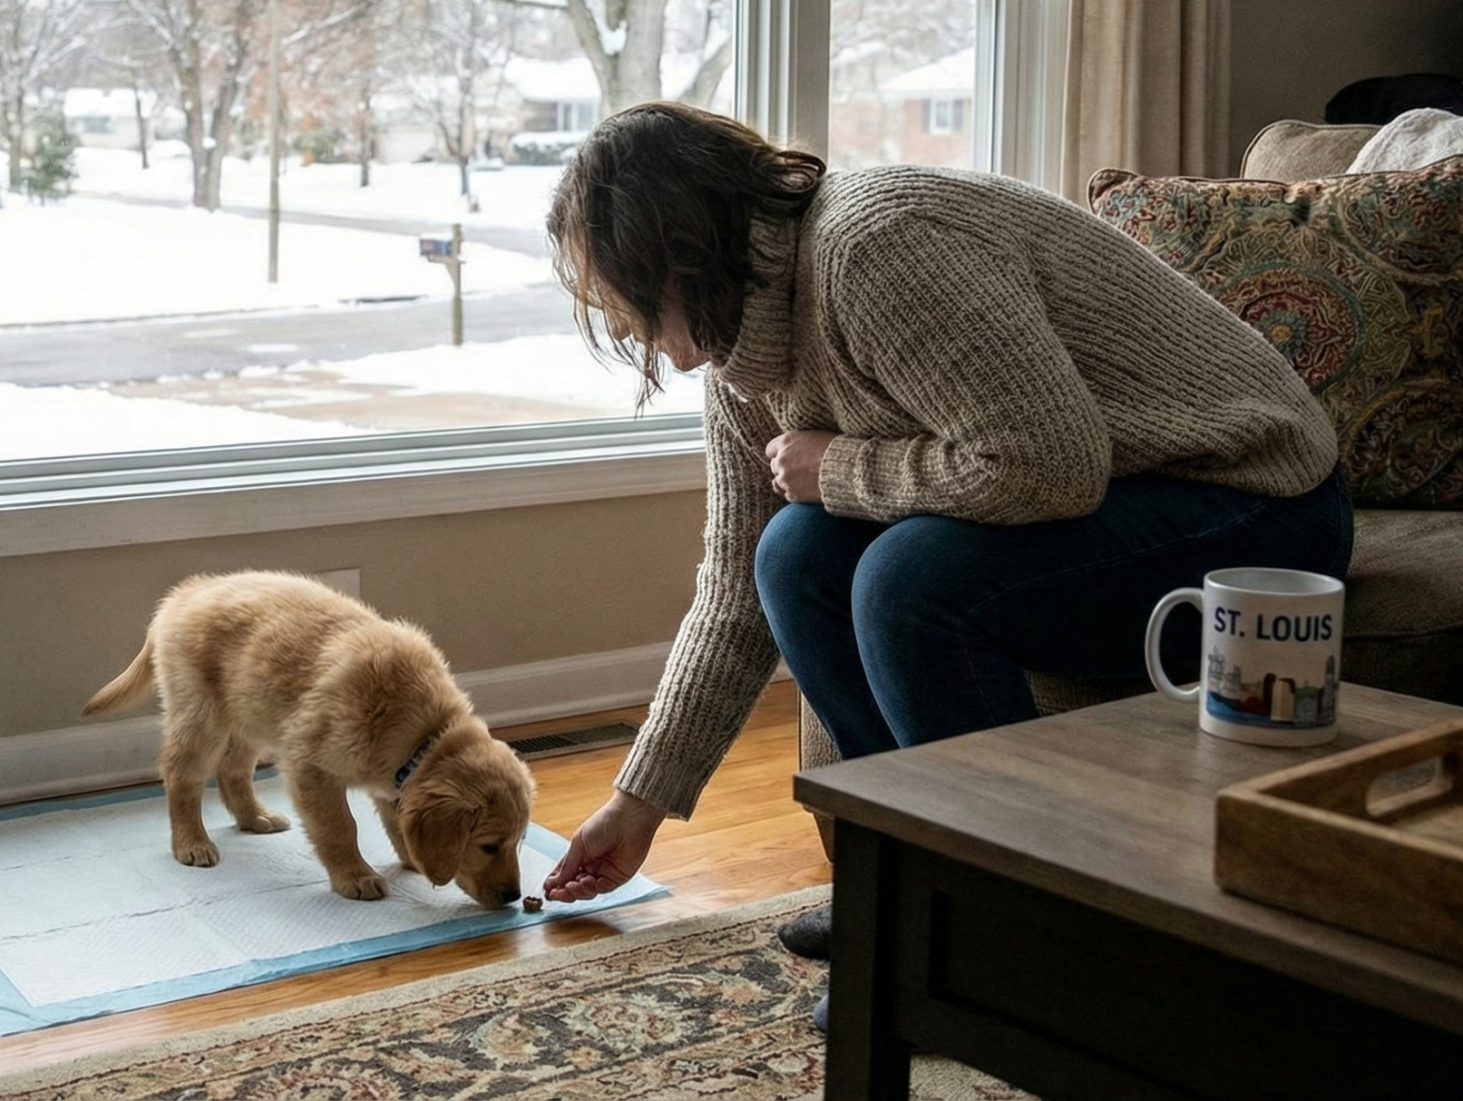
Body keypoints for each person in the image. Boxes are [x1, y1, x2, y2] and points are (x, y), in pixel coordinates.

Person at [538, 102, 1350, 1024]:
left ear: (676, 254)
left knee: (907, 581)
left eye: (620, 294)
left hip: (1254, 503)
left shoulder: (881, 244)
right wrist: (638, 801)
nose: (625, 325)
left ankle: (1007, 931)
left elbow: (1047, 464)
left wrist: (837, 466)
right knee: (792, 551)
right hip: (1113, 501)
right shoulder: (742, 355)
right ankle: (906, 886)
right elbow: (733, 596)